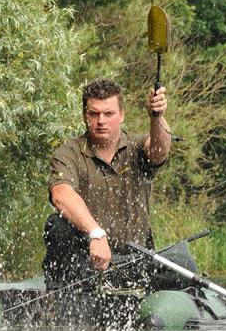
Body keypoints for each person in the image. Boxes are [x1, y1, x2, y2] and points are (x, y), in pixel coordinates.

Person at [42, 78, 172, 291]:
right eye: (94, 114)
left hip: (135, 261)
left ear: (121, 115)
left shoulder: (138, 146)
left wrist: (157, 117)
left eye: (109, 114)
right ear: (85, 116)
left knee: (181, 268)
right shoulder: (68, 153)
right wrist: (96, 233)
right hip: (85, 264)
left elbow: (159, 151)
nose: (101, 120)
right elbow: (61, 195)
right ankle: (63, 299)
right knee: (57, 225)